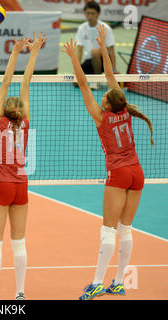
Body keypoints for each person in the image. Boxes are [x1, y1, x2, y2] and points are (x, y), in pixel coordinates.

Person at [62, 25, 154, 300]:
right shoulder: (124, 109)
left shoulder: (101, 116)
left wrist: (73, 58)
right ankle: (118, 282)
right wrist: (103, 45)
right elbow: (111, 74)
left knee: (108, 229)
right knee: (126, 229)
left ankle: (98, 283)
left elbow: (83, 84)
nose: (100, 96)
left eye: (103, 97)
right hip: (138, 172)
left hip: (119, 173)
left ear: (108, 104)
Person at [0, 33, 46, 301]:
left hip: (1, 186)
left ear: (3, 110)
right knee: (18, 241)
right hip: (21, 186)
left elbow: (7, 81)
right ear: (19, 111)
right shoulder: (26, 123)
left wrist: (15, 53)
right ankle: (20, 292)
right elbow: (24, 83)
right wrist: (33, 53)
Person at [76, 1, 118, 89]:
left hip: (105, 61)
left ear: (98, 14)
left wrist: (113, 69)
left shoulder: (105, 28)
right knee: (76, 83)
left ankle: (97, 80)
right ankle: (96, 77)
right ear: (84, 13)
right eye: (88, 13)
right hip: (90, 61)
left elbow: (111, 50)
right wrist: (77, 69)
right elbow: (79, 50)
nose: (90, 16)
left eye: (92, 13)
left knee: (95, 52)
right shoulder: (81, 28)